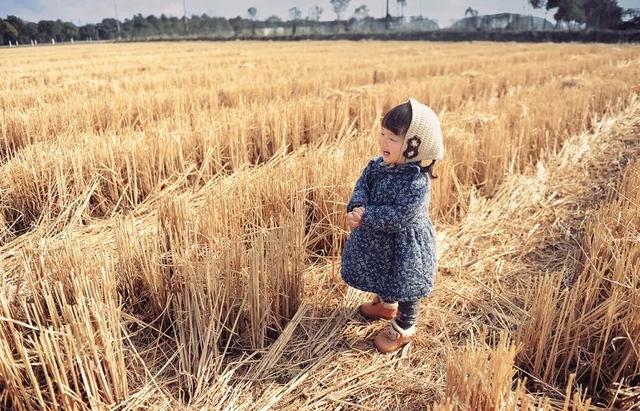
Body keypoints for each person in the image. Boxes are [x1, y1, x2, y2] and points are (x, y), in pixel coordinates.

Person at [341, 97, 444, 353]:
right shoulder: (377, 166)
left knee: (405, 282)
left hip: (405, 245)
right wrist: (356, 207)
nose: (383, 142)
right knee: (381, 272)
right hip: (378, 238)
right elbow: (362, 185)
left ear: (414, 148)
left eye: (393, 139)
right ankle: (387, 306)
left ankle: (405, 326)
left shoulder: (416, 183)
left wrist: (367, 215)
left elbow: (401, 215)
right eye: (382, 134)